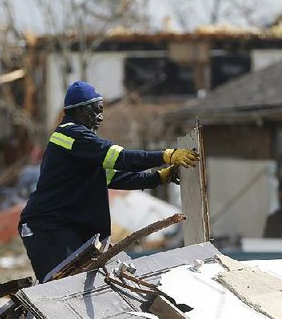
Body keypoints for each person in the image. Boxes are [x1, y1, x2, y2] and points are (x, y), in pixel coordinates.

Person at [19, 81, 200, 282]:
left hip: (62, 227)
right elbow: (120, 158)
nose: (101, 117)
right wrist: (166, 155)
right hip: (48, 228)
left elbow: (116, 177)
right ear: (79, 110)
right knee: (62, 286)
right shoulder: (71, 135)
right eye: (95, 111)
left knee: (79, 285)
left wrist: (158, 177)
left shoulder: (80, 149)